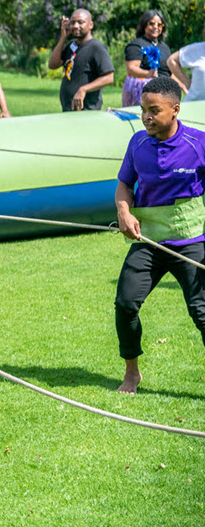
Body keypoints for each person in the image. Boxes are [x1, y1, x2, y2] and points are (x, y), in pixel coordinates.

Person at [114, 77, 205, 394]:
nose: (146, 117)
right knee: (126, 304)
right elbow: (125, 185)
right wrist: (124, 211)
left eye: (154, 110)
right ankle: (132, 373)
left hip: (191, 241)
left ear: (175, 110)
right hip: (149, 241)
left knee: (202, 312)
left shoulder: (198, 144)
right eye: (143, 110)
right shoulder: (137, 143)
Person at [47, 8, 115, 111]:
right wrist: (63, 38)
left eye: (80, 22)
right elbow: (53, 64)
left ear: (90, 25)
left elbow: (109, 77)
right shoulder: (72, 45)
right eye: (72, 22)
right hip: (68, 109)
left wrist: (83, 89)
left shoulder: (96, 48)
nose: (75, 26)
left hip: (87, 110)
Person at [121, 10, 171, 107]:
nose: (156, 27)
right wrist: (148, 74)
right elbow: (131, 69)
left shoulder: (164, 47)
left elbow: (170, 72)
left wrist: (183, 85)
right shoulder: (136, 45)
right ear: (144, 25)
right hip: (144, 93)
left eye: (159, 25)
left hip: (165, 92)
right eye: (151, 24)